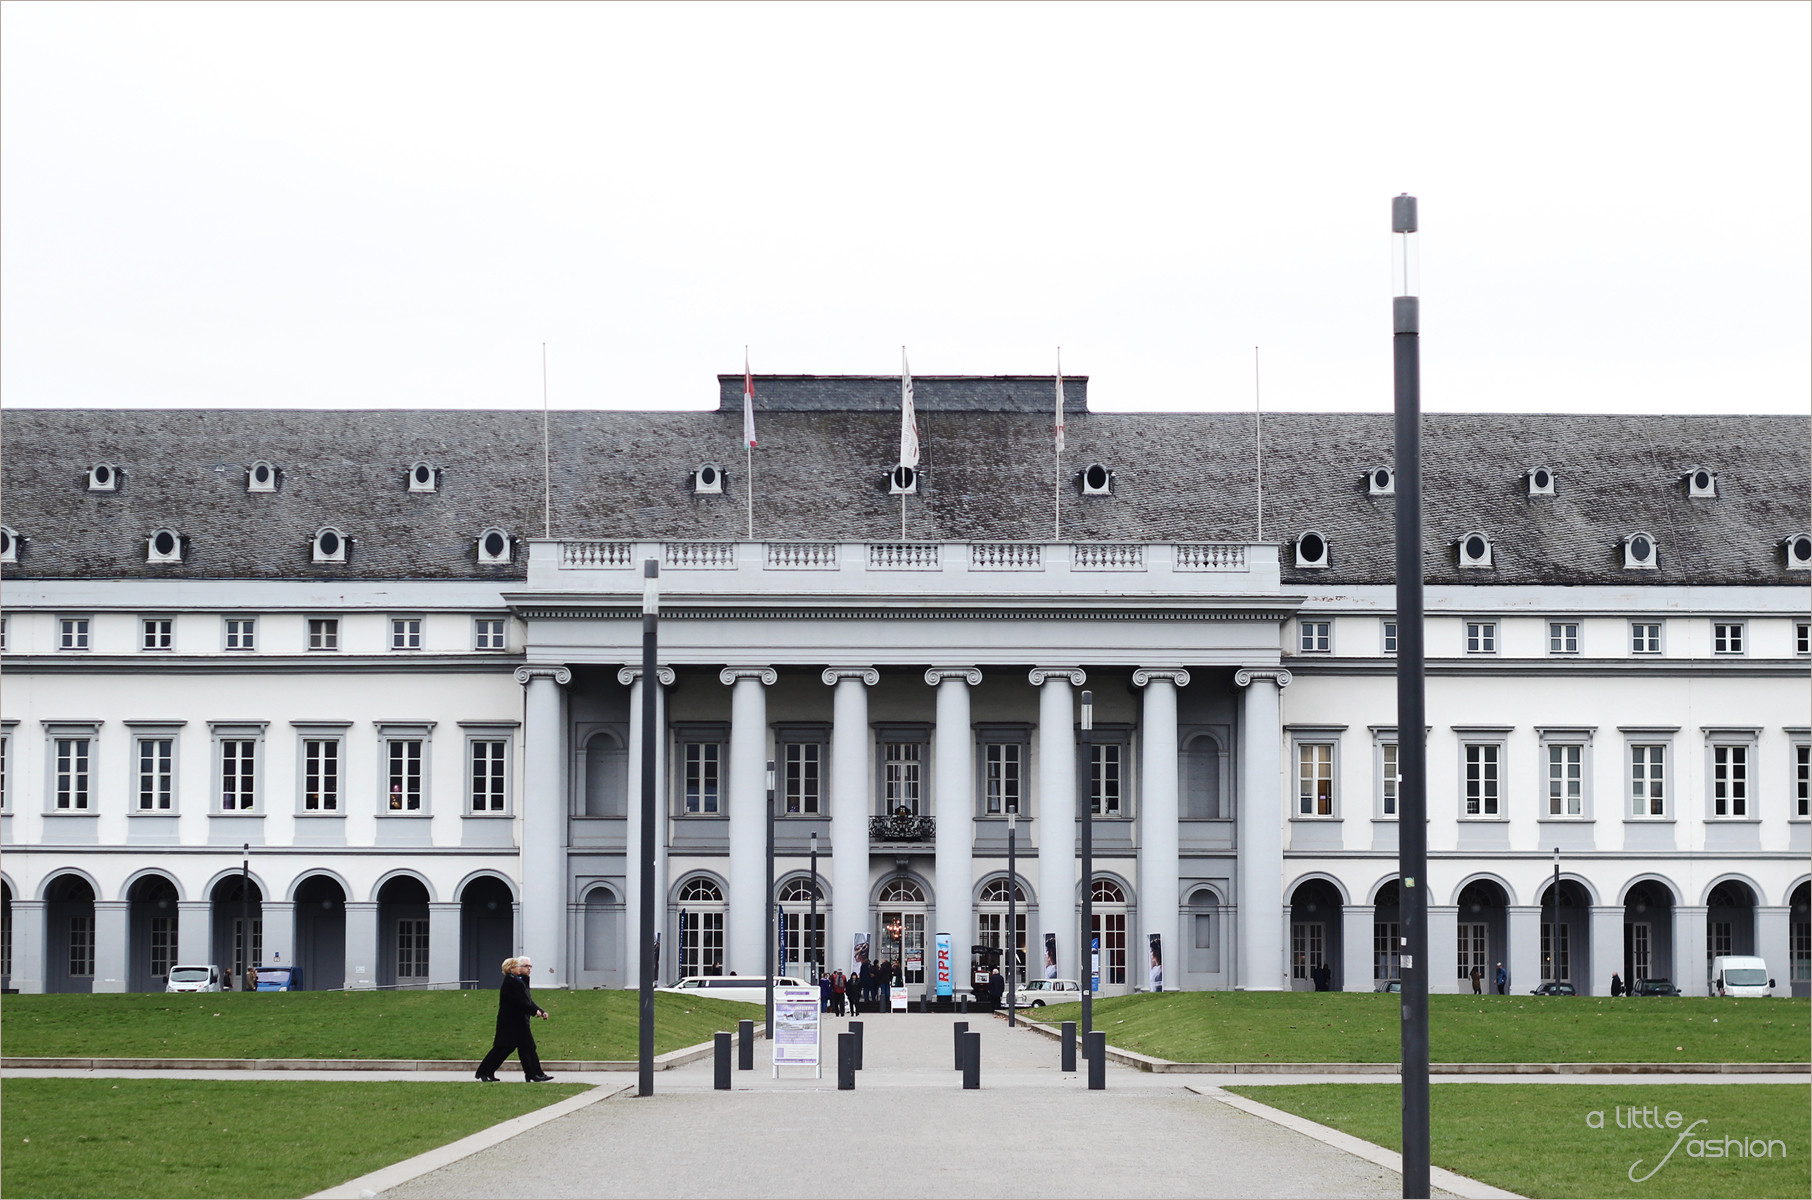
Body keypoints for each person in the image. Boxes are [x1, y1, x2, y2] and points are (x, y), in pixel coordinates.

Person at [476, 955, 553, 1082]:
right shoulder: (511, 983)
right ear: (511, 968)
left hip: (519, 1022)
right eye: (525, 966)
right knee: (503, 1048)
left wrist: (540, 1010)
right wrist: (535, 1012)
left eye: (529, 966)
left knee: (527, 1048)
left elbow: (528, 1000)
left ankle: (534, 1074)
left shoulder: (520, 981)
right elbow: (521, 1002)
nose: (529, 968)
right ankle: (484, 1072)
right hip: (511, 1023)